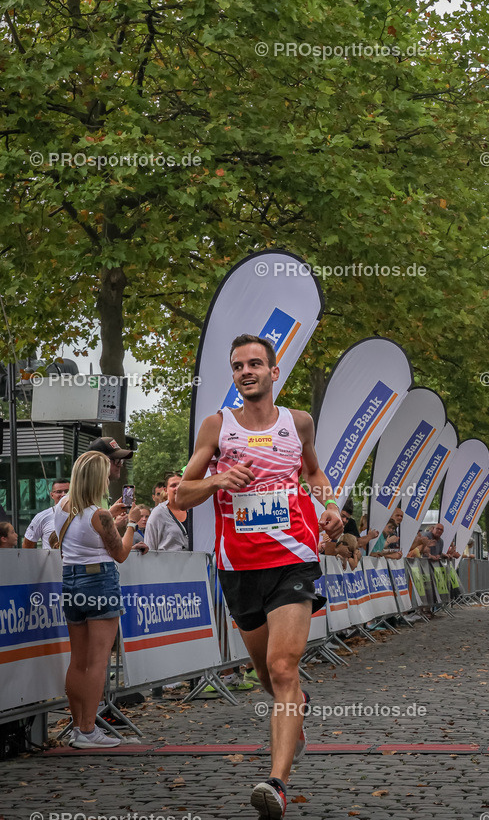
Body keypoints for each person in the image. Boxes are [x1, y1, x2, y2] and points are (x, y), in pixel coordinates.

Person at [175, 334, 343, 820]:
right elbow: (180, 496)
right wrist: (216, 481)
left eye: (254, 364)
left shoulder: (299, 423)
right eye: (237, 366)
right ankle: (296, 710)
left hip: (292, 560)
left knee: (285, 668)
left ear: (273, 371)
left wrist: (329, 505)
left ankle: (277, 783)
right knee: (269, 676)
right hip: (239, 567)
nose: (246, 371)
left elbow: (315, 474)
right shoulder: (217, 426)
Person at [54, 450, 141, 748]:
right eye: (105, 474)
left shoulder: (63, 506)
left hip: (71, 580)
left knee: (77, 661)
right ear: (97, 479)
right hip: (100, 582)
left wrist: (113, 516)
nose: (108, 479)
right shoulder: (99, 515)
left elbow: (88, 537)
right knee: (98, 662)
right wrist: (132, 524)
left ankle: (78, 726)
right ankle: (89, 730)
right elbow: (120, 553)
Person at [22, 478, 71, 548]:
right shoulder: (42, 516)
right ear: (52, 495)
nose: (63, 495)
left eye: (67, 491)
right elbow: (27, 545)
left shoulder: (81, 515)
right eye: (58, 492)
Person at [145, 474, 189, 551]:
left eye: (180, 484)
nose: (177, 488)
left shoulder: (192, 510)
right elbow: (149, 547)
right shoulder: (158, 513)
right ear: (165, 490)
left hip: (194, 561)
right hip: (166, 561)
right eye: (173, 485)